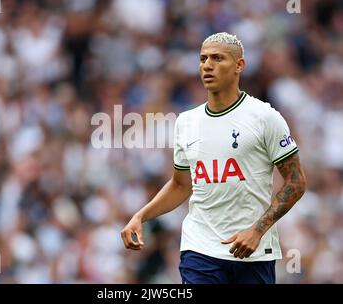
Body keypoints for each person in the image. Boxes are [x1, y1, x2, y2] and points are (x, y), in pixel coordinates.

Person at [121, 32, 307, 284]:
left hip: (252, 252)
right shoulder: (186, 122)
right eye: (203, 59)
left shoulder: (264, 117)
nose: (207, 65)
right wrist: (141, 216)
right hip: (200, 249)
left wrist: (257, 230)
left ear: (239, 66)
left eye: (218, 58)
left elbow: (296, 182)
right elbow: (180, 185)